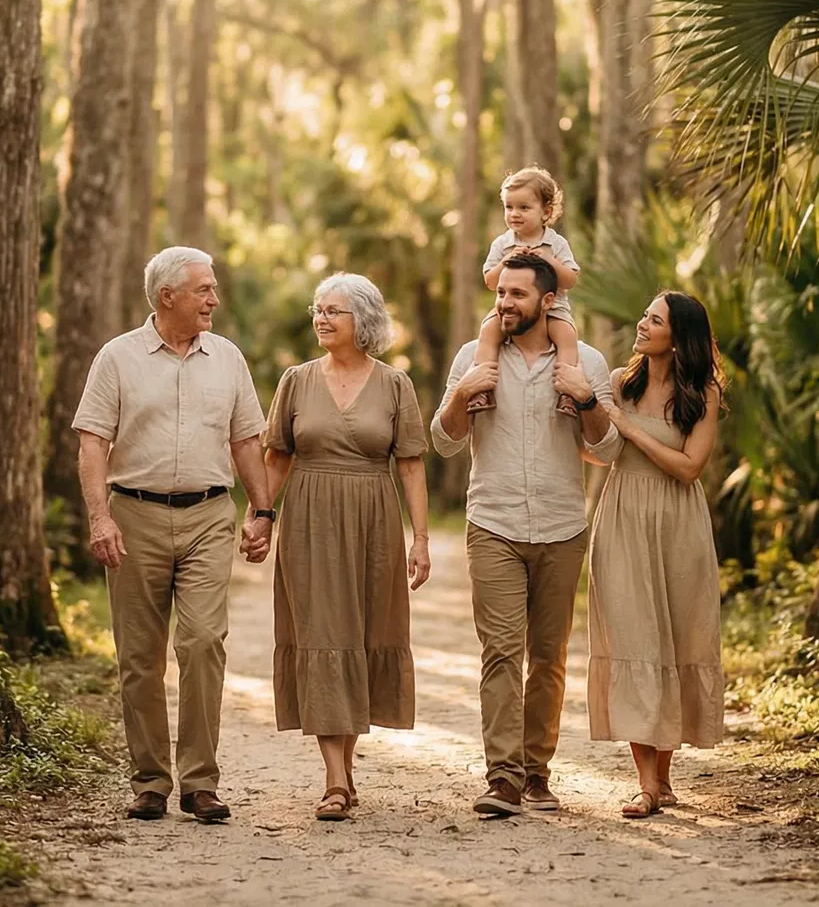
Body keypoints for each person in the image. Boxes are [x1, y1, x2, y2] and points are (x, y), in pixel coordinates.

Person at [72, 246, 275, 825]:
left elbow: (245, 442)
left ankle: (199, 783)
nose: (215, 299)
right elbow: (92, 444)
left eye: (212, 289)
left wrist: (263, 511)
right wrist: (99, 517)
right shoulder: (117, 358)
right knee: (139, 656)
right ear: (168, 296)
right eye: (204, 289)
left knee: (204, 641)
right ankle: (151, 783)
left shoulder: (228, 359)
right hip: (132, 515)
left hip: (209, 516)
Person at [432, 252, 622, 816]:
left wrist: (586, 397)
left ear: (547, 300)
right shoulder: (473, 356)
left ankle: (538, 772)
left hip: (563, 526)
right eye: (500, 293)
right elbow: (443, 441)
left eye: (517, 294)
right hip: (493, 522)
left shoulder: (586, 359)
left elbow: (607, 449)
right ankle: (503, 779)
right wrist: (463, 394)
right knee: (500, 652)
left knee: (549, 656)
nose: (504, 303)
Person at [260, 273, 433, 822]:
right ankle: (335, 779)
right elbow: (277, 456)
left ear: (364, 320)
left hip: (373, 521)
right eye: (318, 309)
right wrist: (259, 514)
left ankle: (345, 767)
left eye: (334, 310)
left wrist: (421, 538)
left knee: (359, 635)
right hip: (309, 517)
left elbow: (409, 463)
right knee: (321, 634)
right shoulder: (296, 379)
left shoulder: (394, 384)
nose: (322, 318)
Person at [588, 291, 728, 819]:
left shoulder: (702, 391)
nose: (642, 325)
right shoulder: (622, 386)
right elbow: (599, 452)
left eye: (655, 319)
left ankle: (663, 778)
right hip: (622, 516)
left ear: (679, 335)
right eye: (644, 315)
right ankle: (646, 783)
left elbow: (691, 466)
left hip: (678, 522)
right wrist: (589, 420)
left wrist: (628, 430)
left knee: (674, 638)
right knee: (633, 638)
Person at [465, 166, 584, 416]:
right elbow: (489, 280)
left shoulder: (556, 243)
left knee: (566, 337)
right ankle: (482, 390)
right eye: (509, 207)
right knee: (488, 331)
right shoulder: (503, 243)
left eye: (524, 208)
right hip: (511, 308)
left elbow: (570, 279)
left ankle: (567, 393)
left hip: (554, 308)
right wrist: (506, 261)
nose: (514, 214)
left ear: (546, 212)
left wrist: (549, 260)